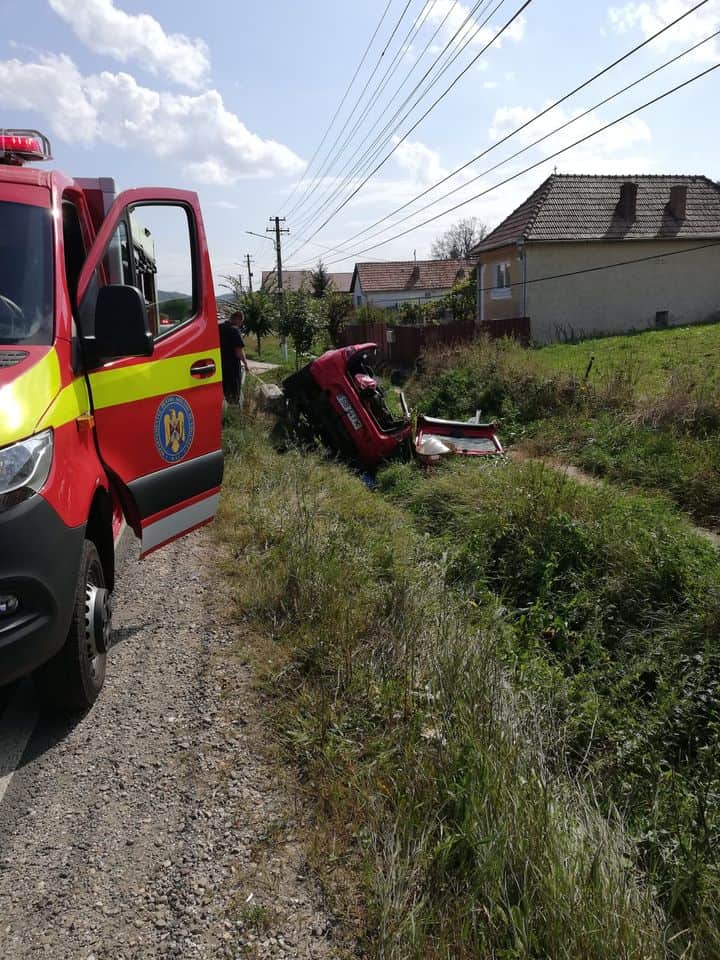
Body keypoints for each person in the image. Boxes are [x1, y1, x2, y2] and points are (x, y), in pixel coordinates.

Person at [219, 310, 249, 404]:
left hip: (221, 365)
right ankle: (234, 411)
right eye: (241, 322)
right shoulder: (234, 330)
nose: (240, 324)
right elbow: (238, 351)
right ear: (237, 319)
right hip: (232, 367)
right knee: (234, 392)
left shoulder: (220, 327)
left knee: (226, 390)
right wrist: (245, 363)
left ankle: (228, 410)